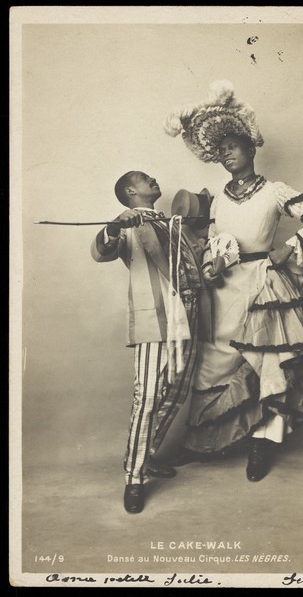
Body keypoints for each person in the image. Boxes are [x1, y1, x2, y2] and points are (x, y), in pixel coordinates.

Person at [164, 80, 303, 481]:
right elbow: (209, 241)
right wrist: (209, 262)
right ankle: (204, 443)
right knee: (212, 362)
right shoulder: (217, 199)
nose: (226, 155)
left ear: (251, 148)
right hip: (223, 290)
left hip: (263, 285)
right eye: (220, 151)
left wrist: (291, 245)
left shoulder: (275, 191)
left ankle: (262, 445)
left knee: (266, 360)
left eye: (233, 147)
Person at [91, 170, 210, 512]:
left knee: (176, 390)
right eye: (145, 179)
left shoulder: (174, 222)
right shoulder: (128, 223)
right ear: (131, 191)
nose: (154, 180)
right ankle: (134, 478)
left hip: (189, 317)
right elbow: (102, 251)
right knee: (147, 396)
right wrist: (113, 227)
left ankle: (146, 456)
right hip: (157, 318)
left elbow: (191, 263)